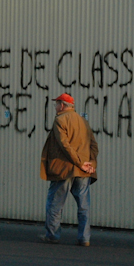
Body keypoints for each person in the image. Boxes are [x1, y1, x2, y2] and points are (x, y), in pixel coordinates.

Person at [40, 93, 98, 246]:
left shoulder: (60, 120)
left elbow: (65, 146)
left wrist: (79, 163)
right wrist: (90, 164)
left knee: (55, 203)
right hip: (84, 171)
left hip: (64, 170)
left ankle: (52, 235)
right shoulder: (83, 122)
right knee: (84, 205)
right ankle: (84, 238)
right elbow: (93, 145)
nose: (55, 107)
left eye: (56, 104)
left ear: (63, 105)